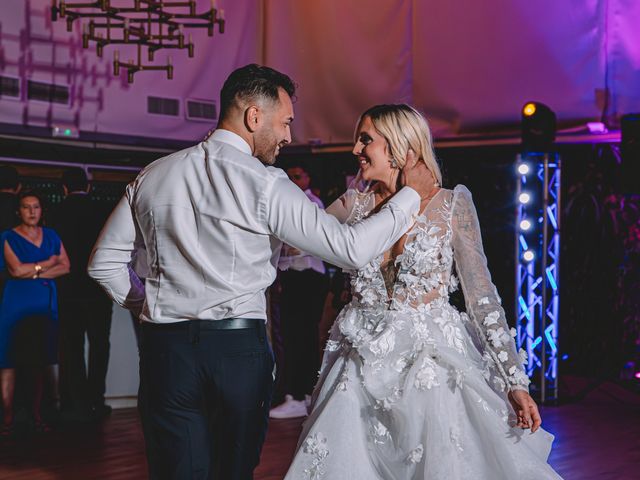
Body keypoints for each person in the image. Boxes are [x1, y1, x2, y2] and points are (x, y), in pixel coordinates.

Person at [88, 64, 433, 480]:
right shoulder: (267, 184)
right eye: (285, 122)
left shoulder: (154, 174)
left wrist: (154, 308)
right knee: (232, 471)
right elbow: (350, 249)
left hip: (166, 349)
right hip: (236, 350)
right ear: (254, 117)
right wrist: (412, 194)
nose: (288, 135)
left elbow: (103, 264)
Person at [285, 104, 563, 479]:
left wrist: (514, 380)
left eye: (366, 139)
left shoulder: (450, 205)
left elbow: (482, 296)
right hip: (358, 368)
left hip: (431, 365)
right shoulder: (352, 206)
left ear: (401, 147)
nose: (355, 149)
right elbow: (292, 239)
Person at [0, 191, 70, 436]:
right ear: (18, 211)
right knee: (8, 358)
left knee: (42, 358)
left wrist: (36, 272)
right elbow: (17, 271)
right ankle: (7, 418)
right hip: (16, 301)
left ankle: (39, 414)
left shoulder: (51, 235)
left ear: (42, 210)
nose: (32, 211)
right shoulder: (7, 236)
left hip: (43, 301)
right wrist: (47, 263)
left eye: (36, 206)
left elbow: (67, 266)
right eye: (26, 207)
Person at [52, 168, 114, 421]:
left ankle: (73, 404)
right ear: (88, 187)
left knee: (71, 347)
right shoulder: (103, 212)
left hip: (66, 289)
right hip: (98, 290)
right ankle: (96, 401)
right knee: (100, 346)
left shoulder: (55, 213)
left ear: (63, 189)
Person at [270, 164, 329, 419]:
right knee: (294, 336)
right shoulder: (288, 200)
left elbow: (318, 238)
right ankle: (301, 393)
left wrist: (296, 248)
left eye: (298, 176)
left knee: (300, 336)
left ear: (307, 177)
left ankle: (300, 394)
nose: (293, 181)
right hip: (292, 276)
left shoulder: (311, 203)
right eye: (290, 177)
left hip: (308, 277)